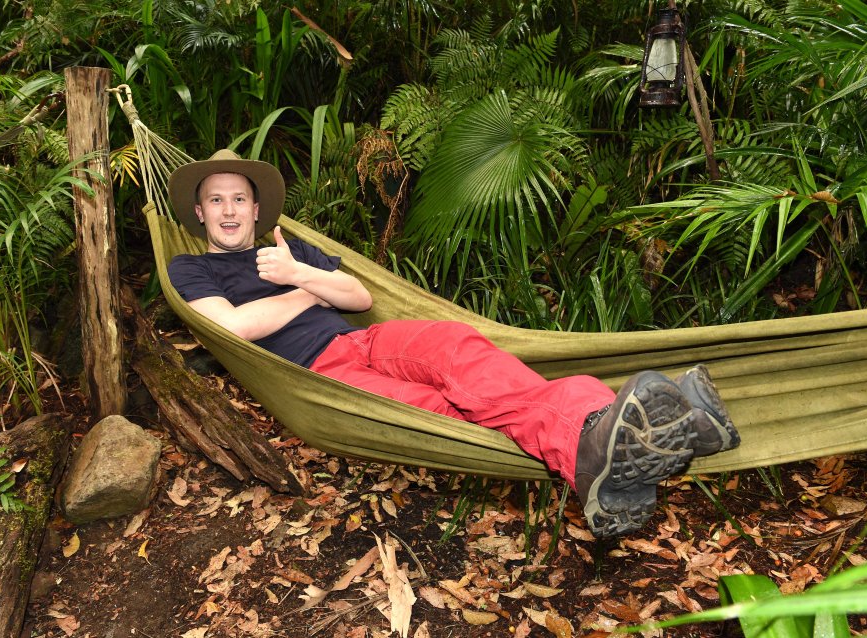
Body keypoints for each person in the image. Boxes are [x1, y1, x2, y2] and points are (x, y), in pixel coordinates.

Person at [166, 150, 741, 539]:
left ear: (257, 207)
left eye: (238, 199)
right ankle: (630, 436)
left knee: (456, 347)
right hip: (318, 375)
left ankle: (609, 437)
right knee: (449, 411)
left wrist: (302, 278)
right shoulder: (190, 267)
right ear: (199, 212)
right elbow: (232, 328)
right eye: (216, 201)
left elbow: (358, 296)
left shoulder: (291, 249)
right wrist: (309, 293)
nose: (229, 210)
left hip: (366, 339)